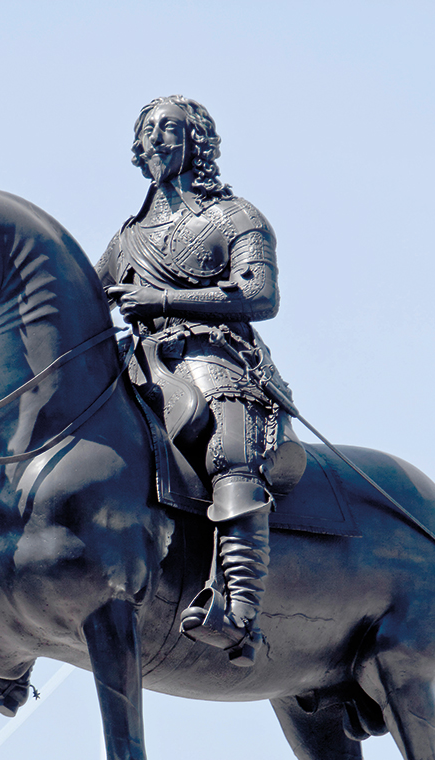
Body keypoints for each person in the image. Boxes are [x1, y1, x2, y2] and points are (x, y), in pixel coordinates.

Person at [96, 96, 305, 666]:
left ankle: (239, 612)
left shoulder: (236, 217)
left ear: (198, 141)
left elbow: (261, 296)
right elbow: (87, 302)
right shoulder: (127, 238)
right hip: (140, 362)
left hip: (218, 359)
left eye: (170, 127)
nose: (157, 137)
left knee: (227, 450)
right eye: (148, 130)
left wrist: (160, 298)